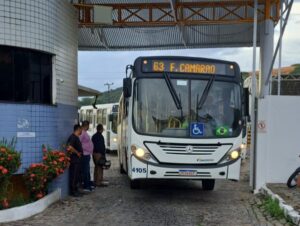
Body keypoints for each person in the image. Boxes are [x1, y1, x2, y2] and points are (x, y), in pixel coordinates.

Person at [67, 124, 83, 197]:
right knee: (73, 176)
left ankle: (76, 189)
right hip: (74, 160)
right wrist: (77, 153)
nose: (81, 131)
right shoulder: (73, 137)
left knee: (76, 176)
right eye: (81, 130)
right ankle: (73, 191)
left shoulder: (76, 137)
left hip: (77, 160)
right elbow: (69, 147)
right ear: (78, 129)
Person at [79, 120, 95, 192]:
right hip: (84, 154)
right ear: (86, 125)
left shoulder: (84, 132)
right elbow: (79, 143)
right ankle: (86, 186)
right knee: (85, 170)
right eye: (88, 126)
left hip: (87, 154)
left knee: (87, 170)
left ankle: (88, 184)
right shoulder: (82, 132)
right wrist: (85, 149)